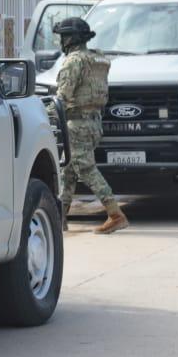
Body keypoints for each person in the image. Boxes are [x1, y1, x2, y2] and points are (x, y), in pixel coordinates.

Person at [53, 17, 128, 234]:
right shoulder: (98, 59)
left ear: (70, 39)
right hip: (94, 123)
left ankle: (115, 214)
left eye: (63, 37)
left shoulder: (73, 61)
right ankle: (59, 218)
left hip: (77, 124)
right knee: (67, 171)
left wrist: (42, 113)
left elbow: (62, 98)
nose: (61, 41)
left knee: (86, 169)